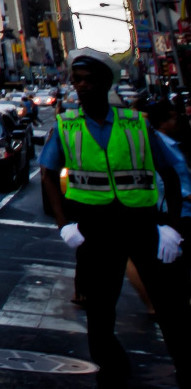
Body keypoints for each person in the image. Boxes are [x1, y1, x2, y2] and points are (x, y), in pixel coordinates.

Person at [40, 49, 188, 386]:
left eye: (89, 80)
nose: (82, 87)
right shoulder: (67, 126)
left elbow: (172, 173)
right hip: (96, 228)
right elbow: (47, 174)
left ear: (106, 83)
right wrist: (65, 226)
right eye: (77, 81)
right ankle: (115, 374)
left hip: (142, 224)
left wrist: (171, 227)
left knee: (171, 306)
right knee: (100, 312)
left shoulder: (137, 125)